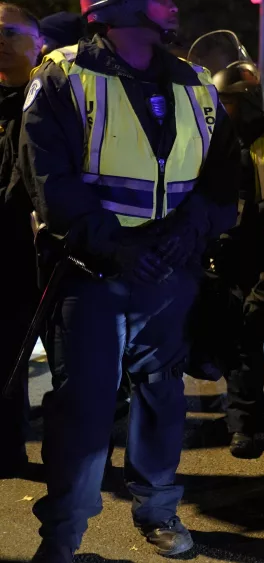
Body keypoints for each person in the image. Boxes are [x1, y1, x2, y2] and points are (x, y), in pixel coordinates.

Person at [20, 0, 240, 560]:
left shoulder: (195, 84)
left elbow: (222, 178)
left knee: (162, 393)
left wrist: (190, 231)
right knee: (85, 408)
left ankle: (159, 510)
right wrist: (114, 247)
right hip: (93, 274)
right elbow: (49, 179)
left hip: (168, 272)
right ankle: (63, 537)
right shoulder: (62, 75)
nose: (173, 5)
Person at [186, 33, 264, 460]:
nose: (222, 110)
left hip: (253, 264)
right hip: (204, 261)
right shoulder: (202, 145)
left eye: (229, 102)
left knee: (244, 345)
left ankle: (244, 425)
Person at [0, 2, 41, 481]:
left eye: (11, 32)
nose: (2, 41)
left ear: (37, 42)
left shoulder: (50, 99)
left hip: (44, 256)